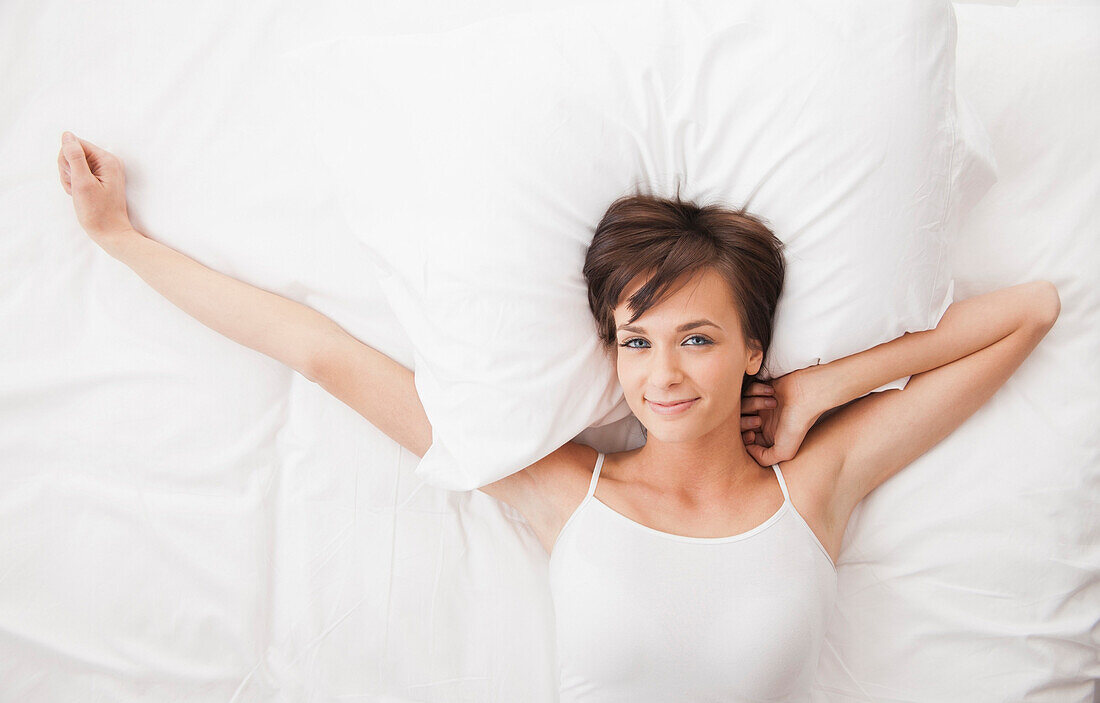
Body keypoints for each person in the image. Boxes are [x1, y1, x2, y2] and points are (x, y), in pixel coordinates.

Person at [57, 130, 1061, 702]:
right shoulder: (562, 486)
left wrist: (819, 388)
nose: (660, 374)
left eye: (697, 338)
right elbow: (322, 351)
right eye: (634, 339)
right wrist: (122, 243)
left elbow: (1026, 313)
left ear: (752, 345)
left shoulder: (813, 485)